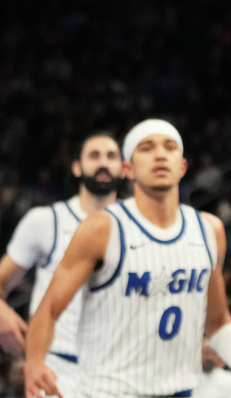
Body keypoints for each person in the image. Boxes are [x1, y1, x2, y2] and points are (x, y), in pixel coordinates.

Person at [23, 119, 231, 398]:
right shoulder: (101, 229)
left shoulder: (209, 230)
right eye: (147, 148)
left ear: (183, 166)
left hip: (181, 391)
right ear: (127, 169)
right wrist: (33, 362)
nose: (160, 154)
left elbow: (218, 322)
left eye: (169, 147)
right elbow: (49, 308)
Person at [0, 131, 125, 397]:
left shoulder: (137, 227)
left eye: (111, 156)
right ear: (77, 167)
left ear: (124, 169)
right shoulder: (46, 221)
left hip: (119, 373)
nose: (103, 162)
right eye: (94, 155)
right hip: (55, 370)